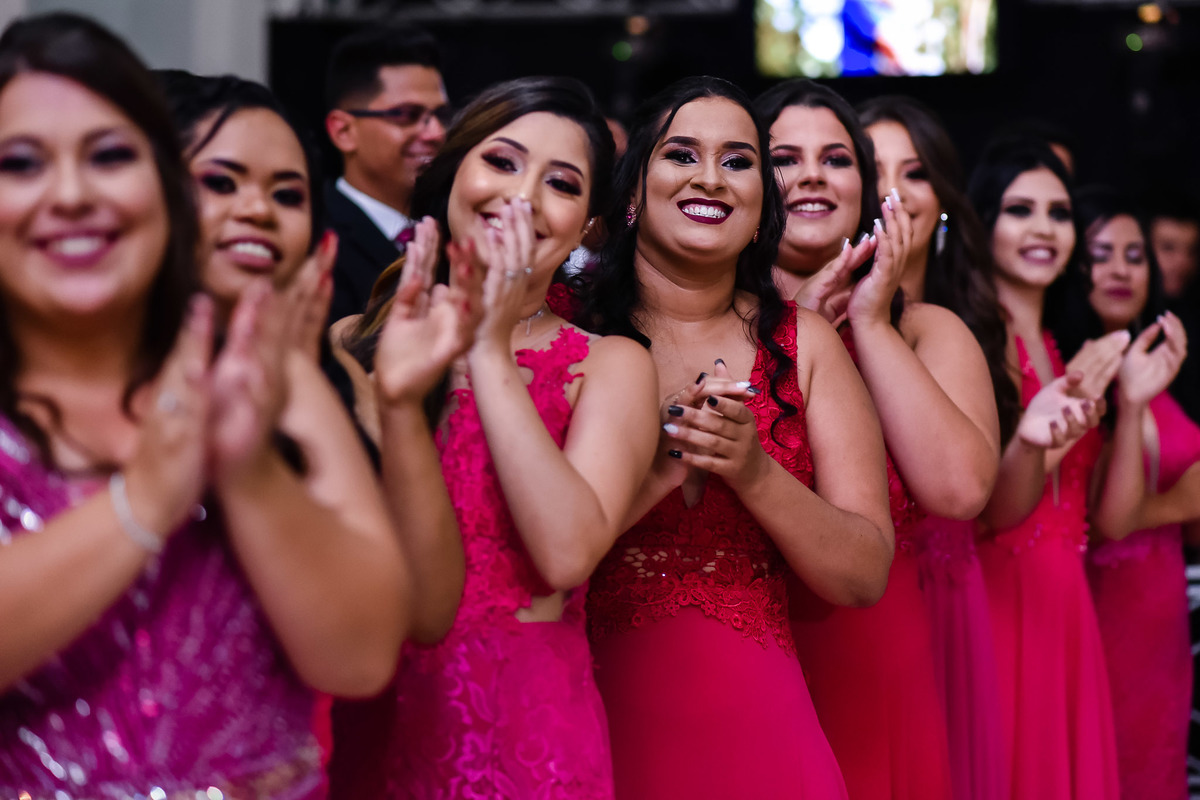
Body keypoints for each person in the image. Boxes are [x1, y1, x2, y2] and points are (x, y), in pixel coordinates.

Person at [0, 13, 409, 798]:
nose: (73, 194)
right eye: (22, 164)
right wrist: (145, 499)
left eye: (110, 157)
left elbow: (358, 659)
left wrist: (249, 472)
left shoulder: (269, 385)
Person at [338, 75, 660, 799]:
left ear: (589, 228)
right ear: (453, 175)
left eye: (562, 182)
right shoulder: (348, 344)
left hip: (523, 732)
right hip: (370, 704)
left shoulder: (611, 365)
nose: (521, 196)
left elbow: (567, 552)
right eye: (502, 162)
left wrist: (487, 346)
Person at [579, 75, 895, 800]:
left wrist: (754, 474)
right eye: (681, 154)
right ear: (631, 194)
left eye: (739, 161)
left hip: (762, 736)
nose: (711, 178)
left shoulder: (803, 344)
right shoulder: (567, 327)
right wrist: (663, 462)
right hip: (590, 721)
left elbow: (864, 572)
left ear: (761, 213)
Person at [757, 79, 998, 800]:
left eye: (835, 159)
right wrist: (789, 328)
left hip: (875, 660)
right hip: (745, 654)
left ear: (865, 188)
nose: (810, 174)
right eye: (782, 157)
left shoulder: (926, 330)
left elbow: (958, 490)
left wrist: (870, 323)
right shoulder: (707, 323)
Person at [857, 94, 1014, 800]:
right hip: (847, 604)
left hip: (946, 595)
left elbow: (973, 491)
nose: (891, 189)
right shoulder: (807, 323)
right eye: (871, 166)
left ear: (943, 197)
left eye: (913, 171)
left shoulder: (969, 325)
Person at [968, 140, 1122, 800]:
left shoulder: (1062, 344)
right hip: (1003, 599)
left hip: (1069, 601)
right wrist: (1050, 435)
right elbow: (990, 510)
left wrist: (1127, 399)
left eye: (1058, 213)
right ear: (984, 225)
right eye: (1019, 209)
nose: (1042, 228)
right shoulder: (974, 340)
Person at [1055, 186, 1191, 799]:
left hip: (1161, 610)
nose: (1119, 269)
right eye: (1101, 252)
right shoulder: (1070, 367)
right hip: (1101, 608)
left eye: (1134, 255)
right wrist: (1176, 502)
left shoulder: (1161, 360)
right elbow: (1105, 515)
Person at [323, 25, 449, 323]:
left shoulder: (453, 226)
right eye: (407, 115)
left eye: (440, 115)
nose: (436, 132)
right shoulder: (315, 237)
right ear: (343, 131)